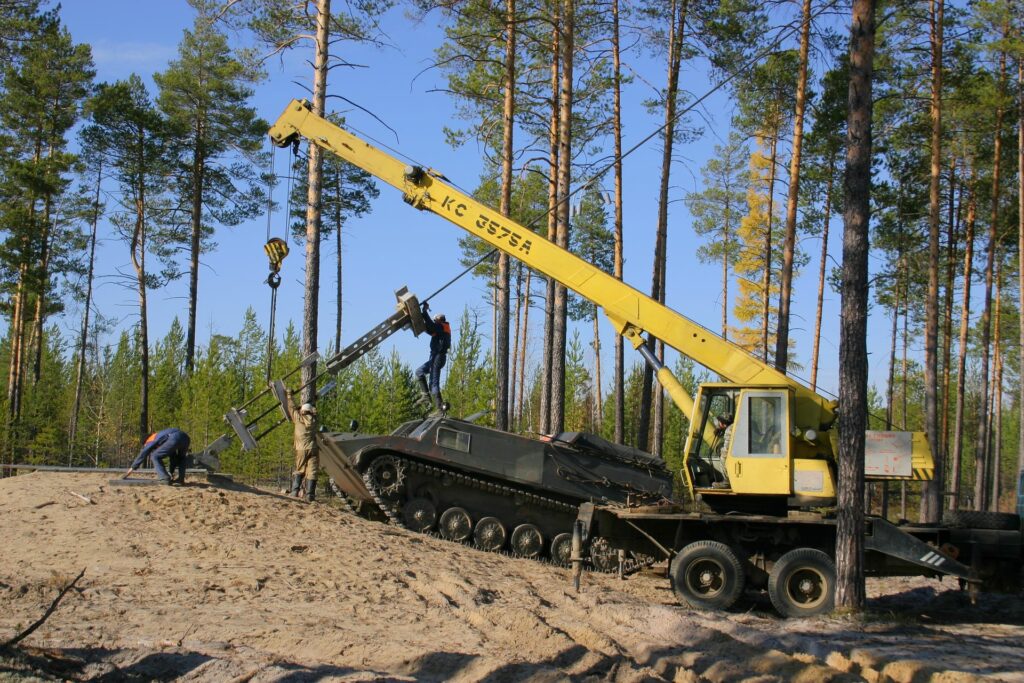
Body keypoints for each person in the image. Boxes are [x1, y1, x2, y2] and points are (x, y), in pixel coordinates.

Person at [415, 301, 451, 415]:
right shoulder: (439, 330)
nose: (435, 321)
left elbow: (431, 325)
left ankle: (440, 409)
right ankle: (426, 396)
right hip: (434, 357)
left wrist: (424, 311)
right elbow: (428, 328)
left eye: (436, 320)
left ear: (440, 319)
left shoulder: (443, 327)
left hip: (438, 357)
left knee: (434, 384)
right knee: (419, 371)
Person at [124, 428, 191, 485]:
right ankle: (180, 480)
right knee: (181, 458)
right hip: (185, 438)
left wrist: (132, 467)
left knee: (154, 456)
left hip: (174, 438)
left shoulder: (151, 438)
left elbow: (144, 453)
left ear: (145, 442)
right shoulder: (160, 436)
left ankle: (164, 478)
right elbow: (173, 458)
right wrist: (171, 472)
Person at [287, 390, 319, 502]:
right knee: (312, 471)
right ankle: (310, 495)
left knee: (300, 469)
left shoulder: (298, 419)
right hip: (313, 448)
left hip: (301, 449)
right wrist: (314, 401)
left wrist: (289, 396)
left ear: (303, 411)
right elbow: (314, 411)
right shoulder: (315, 420)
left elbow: (291, 408)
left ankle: (295, 491)